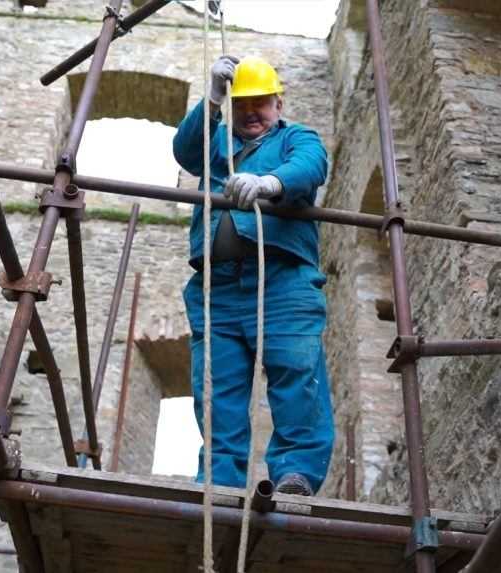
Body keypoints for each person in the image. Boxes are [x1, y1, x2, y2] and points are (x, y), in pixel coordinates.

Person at [172, 55, 333, 496]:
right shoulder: (217, 142)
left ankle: (295, 472)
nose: (251, 113)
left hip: (281, 279)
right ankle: (219, 479)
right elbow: (186, 151)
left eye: (260, 103)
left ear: (278, 102)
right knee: (216, 388)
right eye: (242, 104)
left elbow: (312, 165)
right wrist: (212, 97)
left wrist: (270, 184)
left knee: (296, 372)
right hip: (217, 286)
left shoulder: (295, 138)